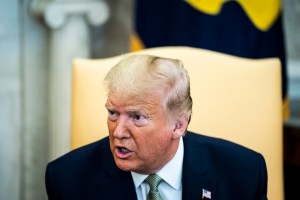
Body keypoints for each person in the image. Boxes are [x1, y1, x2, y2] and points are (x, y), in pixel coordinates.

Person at [45, 55, 268, 200]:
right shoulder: (68, 180)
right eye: (113, 113)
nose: (118, 131)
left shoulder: (243, 173)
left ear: (179, 125)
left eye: (137, 117)